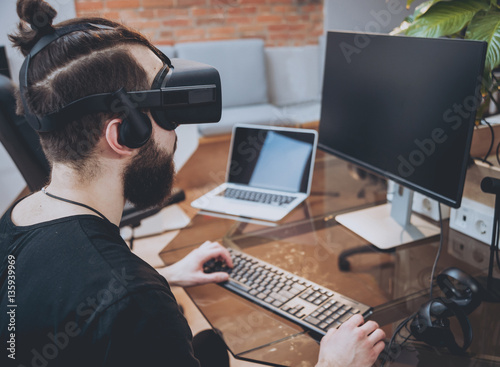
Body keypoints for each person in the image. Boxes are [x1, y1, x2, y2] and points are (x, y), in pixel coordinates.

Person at [0, 0, 386, 366]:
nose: (176, 131)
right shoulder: (137, 306)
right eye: (166, 110)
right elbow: (115, 305)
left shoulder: (17, 219)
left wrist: (162, 277)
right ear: (123, 135)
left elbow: (57, 308)